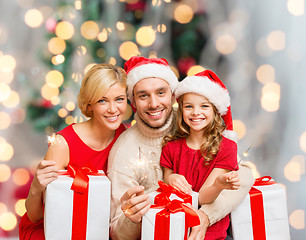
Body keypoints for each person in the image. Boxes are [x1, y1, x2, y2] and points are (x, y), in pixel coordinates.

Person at [107, 56, 255, 240]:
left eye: (161, 92)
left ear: (172, 95)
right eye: (143, 95)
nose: (154, 104)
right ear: (133, 103)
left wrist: (205, 216)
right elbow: (117, 232)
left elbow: (244, 174)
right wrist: (133, 218)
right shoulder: (125, 150)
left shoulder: (193, 119)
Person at [19, 63, 128, 240]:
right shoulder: (63, 144)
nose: (113, 109)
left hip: (96, 225)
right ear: (90, 104)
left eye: (119, 99)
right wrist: (36, 187)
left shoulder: (125, 136)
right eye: (102, 100)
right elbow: (35, 216)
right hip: (55, 227)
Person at [161, 69, 240, 240]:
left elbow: (203, 198)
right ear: (181, 110)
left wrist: (218, 185)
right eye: (189, 106)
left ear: (215, 111)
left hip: (211, 234)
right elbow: (165, 180)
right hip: (174, 229)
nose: (196, 112)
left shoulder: (227, 148)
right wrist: (172, 178)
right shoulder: (171, 147)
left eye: (204, 106)